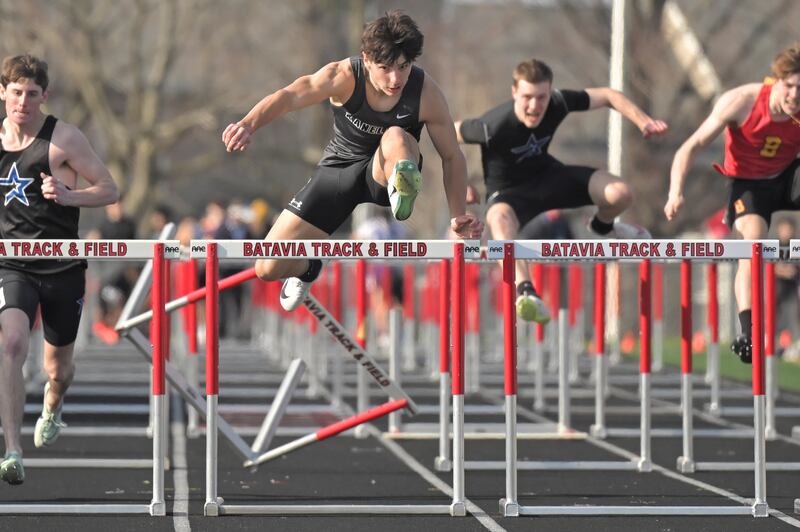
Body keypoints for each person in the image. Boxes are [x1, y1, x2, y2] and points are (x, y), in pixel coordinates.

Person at [222, 10, 482, 309]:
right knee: (267, 267)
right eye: (385, 68)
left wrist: (456, 216)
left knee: (396, 135)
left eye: (404, 66)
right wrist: (248, 123)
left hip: (385, 172)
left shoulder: (426, 93)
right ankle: (308, 267)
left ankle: (402, 186)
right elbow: (291, 96)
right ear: (366, 59)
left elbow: (451, 156)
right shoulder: (343, 76)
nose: (396, 79)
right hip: (339, 170)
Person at [455, 58, 667, 323]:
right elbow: (448, 134)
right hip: (509, 194)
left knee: (621, 193)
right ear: (514, 93)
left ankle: (603, 226)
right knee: (497, 220)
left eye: (541, 97)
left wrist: (643, 121)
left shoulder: (559, 102)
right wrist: (461, 184)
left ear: (550, 92)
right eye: (527, 98)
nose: (534, 106)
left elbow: (608, 95)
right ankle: (526, 292)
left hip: (550, 179)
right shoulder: (492, 126)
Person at [0, 54, 119, 484]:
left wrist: (70, 197)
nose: (23, 102)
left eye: (32, 95)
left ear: (44, 96)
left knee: (58, 370)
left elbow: (109, 189)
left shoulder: (63, 138)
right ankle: (12, 448)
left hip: (62, 265)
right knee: (12, 342)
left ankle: (53, 403)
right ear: (3, 92)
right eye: (16, 93)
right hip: (11, 263)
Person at [665, 43, 800, 364]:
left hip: (788, 177)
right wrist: (675, 192)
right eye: (790, 88)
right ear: (775, 81)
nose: (795, 97)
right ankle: (748, 331)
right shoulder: (741, 102)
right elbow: (690, 147)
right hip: (750, 185)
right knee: (752, 245)